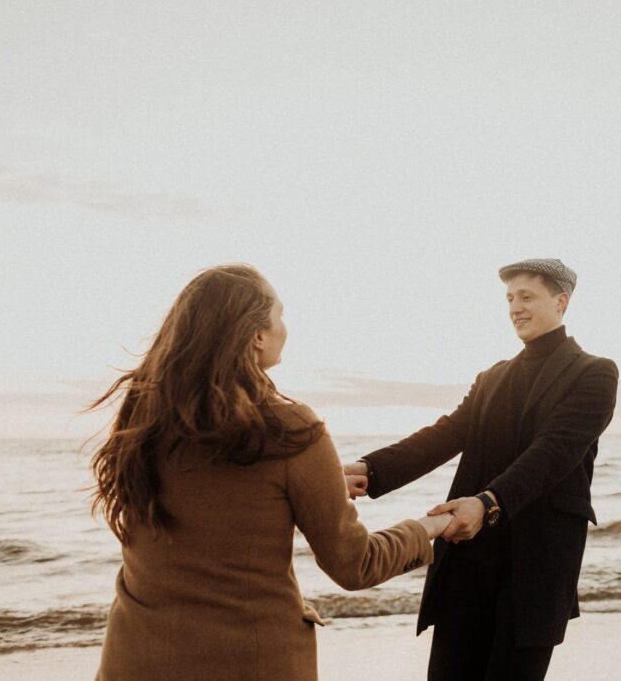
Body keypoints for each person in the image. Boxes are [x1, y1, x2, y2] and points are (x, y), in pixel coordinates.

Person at [89, 264, 451, 681]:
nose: (285, 327)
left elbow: (222, 490)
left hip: (133, 659)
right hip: (248, 663)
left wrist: (318, 481)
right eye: (280, 315)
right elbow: (355, 565)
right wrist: (429, 526)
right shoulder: (288, 429)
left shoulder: (144, 416)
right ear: (257, 335)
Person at [345, 258, 619, 681]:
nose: (515, 307)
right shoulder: (492, 377)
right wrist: (369, 469)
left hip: (534, 567)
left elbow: (552, 453)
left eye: (526, 296)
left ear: (561, 301)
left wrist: (488, 504)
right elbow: (443, 436)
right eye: (510, 298)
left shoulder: (594, 373)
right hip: (466, 560)